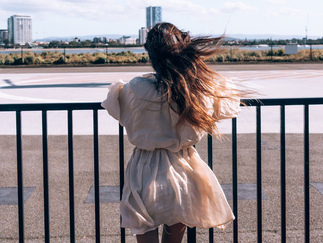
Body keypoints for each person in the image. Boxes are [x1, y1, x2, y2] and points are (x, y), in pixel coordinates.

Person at [102, 22, 241, 243]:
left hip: (144, 169)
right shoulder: (194, 89)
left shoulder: (134, 89)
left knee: (143, 225)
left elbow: (116, 109)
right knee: (174, 234)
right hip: (184, 167)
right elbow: (229, 102)